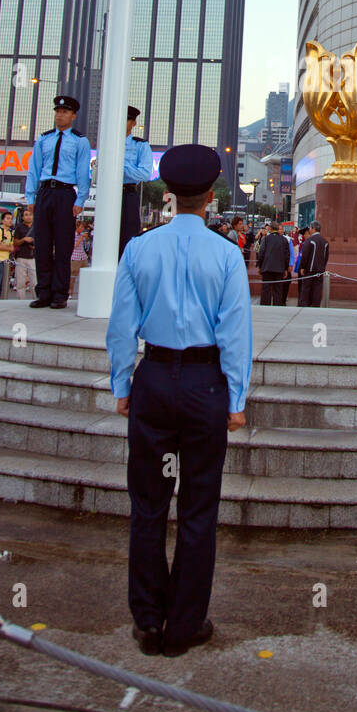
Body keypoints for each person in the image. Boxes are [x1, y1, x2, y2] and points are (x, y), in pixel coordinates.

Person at [106, 143, 251, 658]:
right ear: (210, 197)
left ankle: (147, 619)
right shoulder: (228, 254)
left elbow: (121, 326)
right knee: (198, 506)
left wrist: (122, 384)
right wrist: (237, 398)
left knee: (147, 503)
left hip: (154, 377)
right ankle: (185, 624)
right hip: (204, 384)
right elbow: (235, 334)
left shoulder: (139, 249)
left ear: (169, 196)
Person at [25, 94, 91, 309]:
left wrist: (81, 198)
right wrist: (30, 197)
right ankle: (43, 292)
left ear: (73, 116)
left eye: (64, 112)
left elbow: (83, 172)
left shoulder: (80, 141)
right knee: (42, 244)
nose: (59, 115)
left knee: (63, 246)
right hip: (45, 192)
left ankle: (59, 294)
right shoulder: (44, 139)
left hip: (65, 194)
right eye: (57, 111)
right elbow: (34, 168)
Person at [120, 106, 154, 258]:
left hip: (128, 193)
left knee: (128, 238)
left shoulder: (140, 145)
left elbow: (145, 174)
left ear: (133, 123)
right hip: (107, 193)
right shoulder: (106, 142)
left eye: (126, 119)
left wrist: (120, 163)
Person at [256, 221, 290, 305]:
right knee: (278, 290)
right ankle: (277, 306)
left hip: (267, 268)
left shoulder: (266, 239)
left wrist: (259, 266)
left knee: (266, 290)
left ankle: (264, 306)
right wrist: (286, 268)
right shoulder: (284, 240)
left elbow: (261, 253)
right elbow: (287, 255)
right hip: (279, 269)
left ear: (270, 229)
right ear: (278, 229)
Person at [297, 220, 328, 307]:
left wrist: (302, 267)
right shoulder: (325, 242)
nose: (309, 230)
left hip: (309, 270)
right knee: (317, 291)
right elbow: (326, 257)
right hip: (320, 271)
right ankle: (315, 306)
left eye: (310, 228)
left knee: (306, 290)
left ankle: (305, 307)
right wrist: (322, 267)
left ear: (313, 229)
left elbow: (305, 255)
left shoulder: (310, 240)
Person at [13, 207, 36, 299]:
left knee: (34, 282)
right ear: (22, 217)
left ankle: (36, 299)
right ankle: (21, 300)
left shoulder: (37, 226)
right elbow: (15, 242)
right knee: (21, 282)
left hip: (33, 257)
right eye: (26, 215)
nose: (29, 217)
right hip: (21, 256)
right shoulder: (19, 227)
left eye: (30, 215)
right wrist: (23, 239)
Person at [69, 218, 90, 297]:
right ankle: (69, 292)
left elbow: (86, 246)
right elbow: (74, 245)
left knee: (87, 273)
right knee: (73, 276)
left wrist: (86, 239)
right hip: (75, 257)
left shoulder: (82, 235)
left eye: (83, 227)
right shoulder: (73, 235)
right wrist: (81, 238)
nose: (82, 229)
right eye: (80, 227)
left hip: (83, 257)